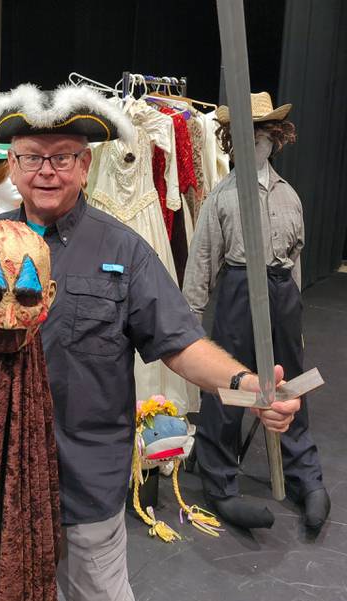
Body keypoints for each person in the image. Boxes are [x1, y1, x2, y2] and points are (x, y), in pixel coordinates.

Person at [0, 84, 303, 601]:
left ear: (85, 165)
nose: (47, 170)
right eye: (32, 157)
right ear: (12, 167)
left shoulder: (123, 250)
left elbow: (179, 341)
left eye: (61, 157)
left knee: (98, 590)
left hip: (84, 474)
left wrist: (245, 385)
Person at [183, 92, 329, 532]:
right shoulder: (221, 199)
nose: (257, 143)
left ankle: (304, 474)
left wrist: (295, 315)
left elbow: (296, 256)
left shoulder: (290, 197)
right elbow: (203, 259)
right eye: (248, 135)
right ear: (232, 141)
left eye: (264, 134)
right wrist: (191, 321)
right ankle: (219, 479)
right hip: (238, 292)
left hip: (282, 294)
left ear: (275, 138)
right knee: (228, 384)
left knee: (288, 386)